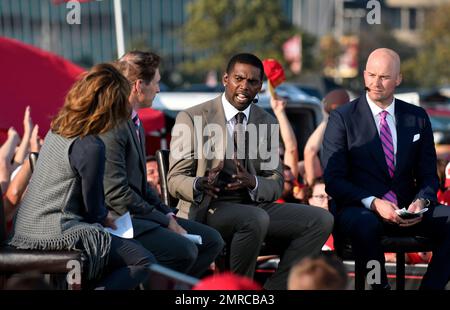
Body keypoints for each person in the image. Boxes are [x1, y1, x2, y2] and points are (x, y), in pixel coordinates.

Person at [167, 53, 333, 290]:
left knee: (321, 220)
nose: (245, 86)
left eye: (253, 81)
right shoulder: (192, 118)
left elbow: (275, 181)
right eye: (239, 78)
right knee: (254, 219)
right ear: (226, 79)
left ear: (260, 87)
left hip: (254, 204)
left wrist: (253, 182)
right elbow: (174, 180)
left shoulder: (266, 122)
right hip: (209, 206)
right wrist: (198, 183)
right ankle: (237, 289)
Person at [8, 63, 155, 290]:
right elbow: (93, 210)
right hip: (57, 233)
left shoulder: (58, 128)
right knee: (143, 260)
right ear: (112, 106)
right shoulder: (91, 145)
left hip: (23, 231)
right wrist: (107, 219)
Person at [322, 48, 450, 290]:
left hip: (408, 211)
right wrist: (373, 202)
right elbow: (334, 180)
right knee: (366, 225)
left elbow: (428, 176)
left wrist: (421, 202)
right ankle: (378, 288)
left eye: (384, 77)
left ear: (399, 79)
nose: (376, 83)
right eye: (371, 75)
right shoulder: (343, 117)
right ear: (363, 75)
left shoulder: (417, 117)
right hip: (360, 209)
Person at [101, 51, 224, 278]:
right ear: (139, 85)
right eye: (156, 83)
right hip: (119, 221)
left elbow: (141, 184)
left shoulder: (133, 122)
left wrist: (168, 215)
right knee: (184, 250)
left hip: (137, 216)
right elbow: (117, 195)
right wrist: (164, 221)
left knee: (212, 241)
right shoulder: (113, 125)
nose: (158, 89)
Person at [303, 89, 349, 186]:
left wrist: (326, 119)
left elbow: (310, 151)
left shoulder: (321, 184)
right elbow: (310, 151)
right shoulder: (321, 183)